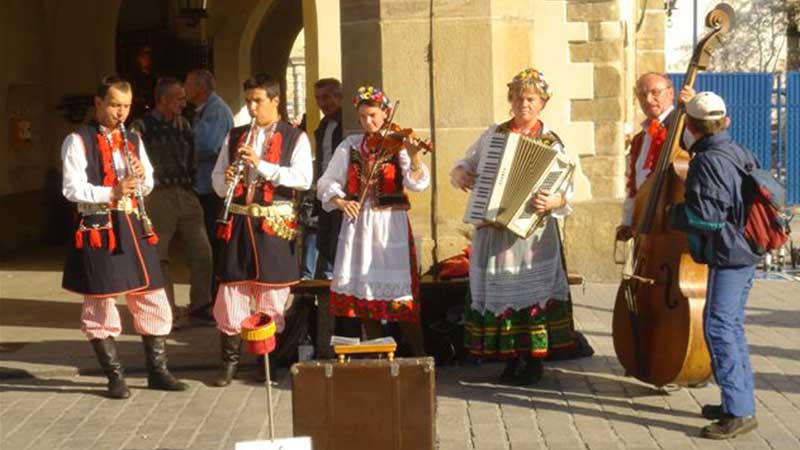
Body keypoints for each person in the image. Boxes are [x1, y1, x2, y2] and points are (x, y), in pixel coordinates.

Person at [61, 75, 188, 399]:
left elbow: (147, 183)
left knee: (152, 295)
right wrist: (111, 191)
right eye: (115, 105)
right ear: (99, 103)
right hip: (99, 226)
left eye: (127, 106)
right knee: (101, 301)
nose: (121, 113)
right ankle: (114, 376)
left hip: (132, 222)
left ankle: (158, 371)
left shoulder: (132, 139)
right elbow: (71, 188)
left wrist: (141, 179)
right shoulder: (78, 140)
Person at [450, 68, 577, 385]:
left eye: (531, 99)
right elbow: (465, 163)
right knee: (500, 289)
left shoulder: (552, 143)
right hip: (494, 227)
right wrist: (462, 174)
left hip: (531, 234)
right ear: (511, 100)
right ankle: (509, 356)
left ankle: (534, 360)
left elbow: (568, 189)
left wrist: (554, 202)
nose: (524, 104)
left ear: (542, 103)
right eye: (519, 98)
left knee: (531, 292)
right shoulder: (494, 135)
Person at [211, 73, 312, 386]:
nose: (253, 108)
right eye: (249, 101)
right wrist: (226, 180)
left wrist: (261, 165)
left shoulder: (295, 137)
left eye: (258, 101)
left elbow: (303, 179)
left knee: (271, 295)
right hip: (240, 223)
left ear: (275, 101)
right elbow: (215, 180)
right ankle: (229, 364)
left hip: (273, 224)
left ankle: (265, 364)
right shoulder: (235, 135)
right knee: (232, 293)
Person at [670, 90, 760, 439]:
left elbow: (706, 218)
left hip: (729, 253)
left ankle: (738, 411)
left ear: (692, 126)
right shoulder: (733, 149)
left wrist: (672, 214)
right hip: (743, 250)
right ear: (725, 122)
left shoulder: (707, 161)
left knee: (721, 328)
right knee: (729, 326)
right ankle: (736, 400)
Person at [316, 85, 430, 355]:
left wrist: (414, 159)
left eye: (374, 116)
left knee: (401, 300)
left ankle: (420, 356)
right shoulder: (351, 145)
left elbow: (418, 185)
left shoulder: (398, 144)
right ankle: (380, 355)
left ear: (386, 113)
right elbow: (326, 181)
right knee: (364, 298)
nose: (369, 122)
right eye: (364, 117)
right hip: (358, 227)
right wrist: (341, 201)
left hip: (391, 227)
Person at [131, 77, 214, 329]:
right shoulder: (140, 127)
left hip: (185, 192)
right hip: (157, 195)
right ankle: (166, 311)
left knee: (203, 253)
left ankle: (200, 307)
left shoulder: (184, 125)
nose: (183, 101)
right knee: (159, 255)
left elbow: (191, 159)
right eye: (178, 98)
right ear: (163, 100)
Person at [185, 69, 234, 299]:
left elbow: (207, 145)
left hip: (212, 188)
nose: (185, 89)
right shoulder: (202, 111)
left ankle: (216, 295)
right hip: (204, 186)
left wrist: (182, 145)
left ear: (201, 88)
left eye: (188, 84)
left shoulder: (215, 111)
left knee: (214, 244)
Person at [616, 72, 679, 241]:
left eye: (655, 92)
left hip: (672, 227)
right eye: (642, 95)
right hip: (644, 224)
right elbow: (633, 186)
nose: (649, 100)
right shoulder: (639, 139)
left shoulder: (683, 127)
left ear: (671, 93)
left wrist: (690, 110)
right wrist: (628, 222)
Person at [300, 78, 344, 281]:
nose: (321, 103)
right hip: (324, 190)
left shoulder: (347, 124)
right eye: (318, 98)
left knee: (335, 246)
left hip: (342, 193)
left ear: (339, 96)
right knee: (323, 240)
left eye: (326, 97)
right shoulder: (324, 124)